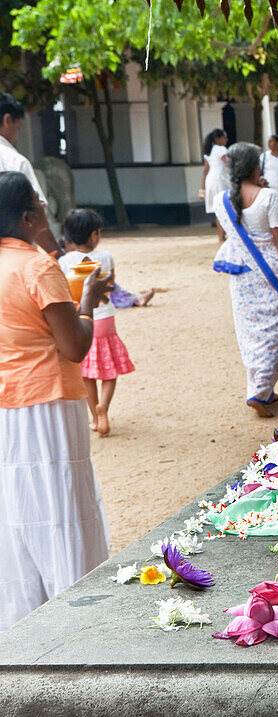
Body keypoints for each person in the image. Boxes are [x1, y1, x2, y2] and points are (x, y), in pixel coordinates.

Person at [0, 171, 111, 632]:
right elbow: (75, 347)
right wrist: (86, 300)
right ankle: (76, 619)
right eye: (40, 205)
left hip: (8, 404)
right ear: (28, 218)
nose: (47, 211)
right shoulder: (38, 267)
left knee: (19, 511)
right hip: (47, 401)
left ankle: (25, 623)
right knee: (62, 505)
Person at [213, 142, 278, 418]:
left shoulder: (221, 199)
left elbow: (225, 235)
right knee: (274, 332)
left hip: (242, 274)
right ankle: (259, 390)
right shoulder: (269, 197)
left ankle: (263, 387)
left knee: (250, 332)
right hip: (271, 272)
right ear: (256, 166)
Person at [57, 209, 136, 437]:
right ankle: (104, 406)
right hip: (106, 318)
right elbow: (111, 285)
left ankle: (94, 416)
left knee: (87, 372)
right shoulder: (105, 257)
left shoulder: (64, 262)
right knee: (109, 369)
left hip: (82, 319)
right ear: (94, 235)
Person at [0, 93, 58, 255]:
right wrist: (58, 257)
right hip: (14, 261)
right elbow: (36, 216)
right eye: (18, 128)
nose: (16, 135)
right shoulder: (14, 161)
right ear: (7, 120)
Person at [199, 128, 230, 241]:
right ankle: (228, 234)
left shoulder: (209, 151)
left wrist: (202, 189)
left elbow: (206, 170)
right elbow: (228, 164)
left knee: (218, 209)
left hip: (210, 181)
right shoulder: (221, 149)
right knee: (226, 207)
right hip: (220, 180)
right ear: (218, 139)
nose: (226, 139)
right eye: (224, 137)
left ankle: (221, 236)